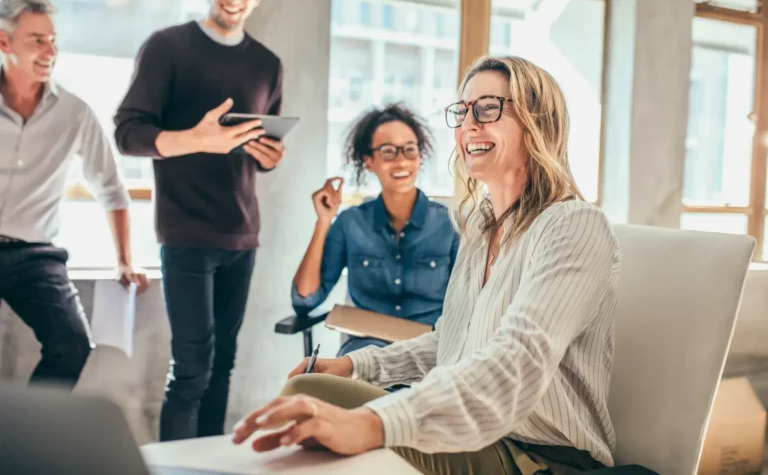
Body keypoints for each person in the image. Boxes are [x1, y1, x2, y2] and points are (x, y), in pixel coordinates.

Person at [232, 55, 622, 475]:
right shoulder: (480, 225)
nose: (469, 124)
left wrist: (373, 422)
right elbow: (450, 342)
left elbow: (515, 361)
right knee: (308, 389)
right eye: (463, 111)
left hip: (538, 455)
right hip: (474, 430)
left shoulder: (573, 225)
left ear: (537, 121)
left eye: (488, 108)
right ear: (370, 161)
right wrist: (354, 365)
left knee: (337, 427)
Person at [113, 0, 284, 442]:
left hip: (243, 231)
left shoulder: (268, 64)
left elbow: (259, 144)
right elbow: (128, 134)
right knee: (191, 369)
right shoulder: (167, 47)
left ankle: (210, 465)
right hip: (185, 231)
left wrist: (270, 155)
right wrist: (195, 139)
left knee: (222, 366)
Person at [0, 0, 149, 389]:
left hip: (35, 255)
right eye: (37, 40)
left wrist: (125, 261)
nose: (50, 50)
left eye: (53, 39)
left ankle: (26, 439)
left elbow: (111, 189)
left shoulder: (74, 113)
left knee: (72, 344)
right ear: (4, 42)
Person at [292, 104, 459, 357]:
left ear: (420, 156)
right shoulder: (350, 223)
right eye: (388, 151)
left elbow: (473, 305)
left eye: (409, 150)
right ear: (368, 161)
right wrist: (323, 221)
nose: (401, 160)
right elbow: (305, 300)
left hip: (431, 354)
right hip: (364, 353)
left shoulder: (451, 224)